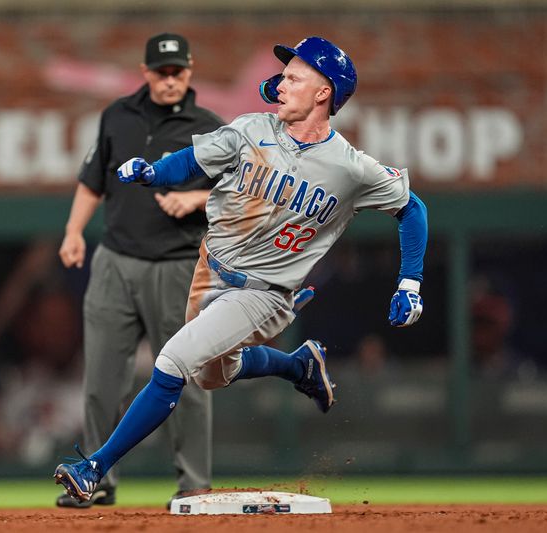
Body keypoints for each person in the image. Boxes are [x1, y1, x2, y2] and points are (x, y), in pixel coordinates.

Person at [55, 36, 428, 503]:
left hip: (265, 292)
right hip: (210, 270)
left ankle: (95, 468)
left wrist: (409, 280)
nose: (282, 82)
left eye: (296, 76)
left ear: (323, 92)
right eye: (285, 74)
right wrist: (153, 172)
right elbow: (191, 161)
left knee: (171, 362)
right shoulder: (252, 128)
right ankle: (299, 366)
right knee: (214, 374)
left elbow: (412, 208)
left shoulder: (351, 168)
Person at [56, 33, 224, 507]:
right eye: (162, 72)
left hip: (178, 265)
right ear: (146, 72)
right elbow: (93, 181)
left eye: (178, 71)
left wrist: (195, 197)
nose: (170, 80)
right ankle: (93, 479)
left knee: (185, 377)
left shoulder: (211, 128)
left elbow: (242, 194)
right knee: (101, 380)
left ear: (189, 72)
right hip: (116, 258)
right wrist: (73, 232)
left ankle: (194, 484)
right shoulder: (117, 115)